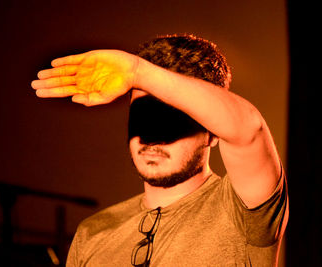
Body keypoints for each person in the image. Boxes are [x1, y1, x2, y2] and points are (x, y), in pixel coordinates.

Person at [31, 34, 288, 267]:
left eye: (172, 118)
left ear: (212, 133)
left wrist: (139, 73)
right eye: (144, 115)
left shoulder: (242, 214)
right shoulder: (93, 232)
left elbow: (249, 130)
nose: (153, 135)